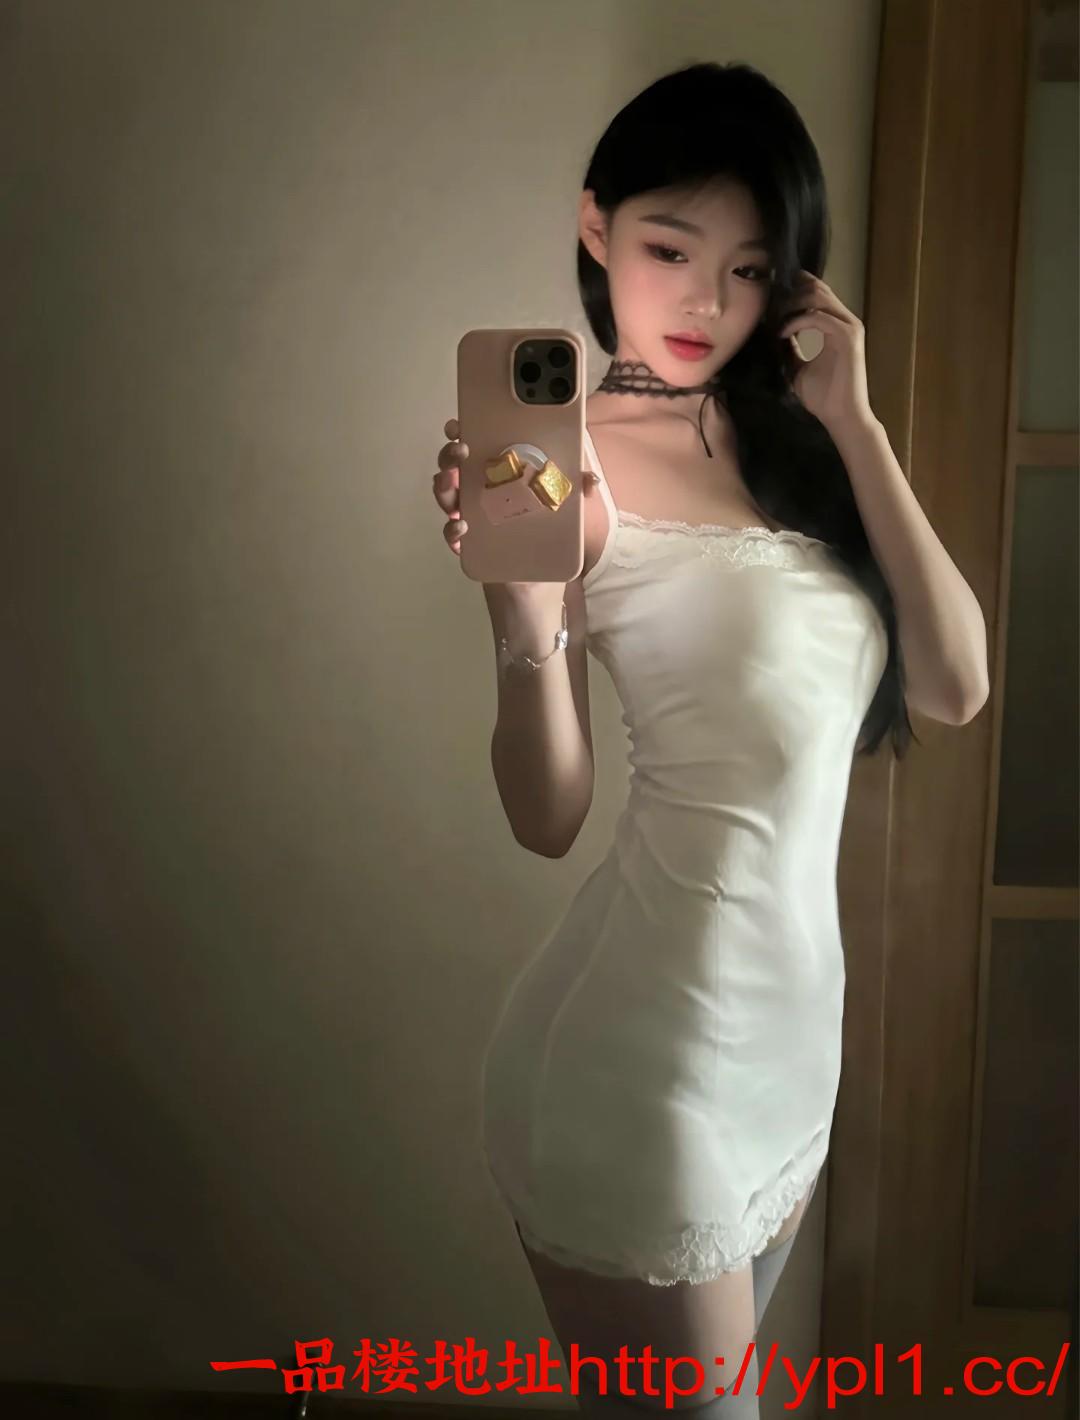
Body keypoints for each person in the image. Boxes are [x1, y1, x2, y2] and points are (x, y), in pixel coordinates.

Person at [433, 61, 928, 1418]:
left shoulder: (803, 447)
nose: (708, 302)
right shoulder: (571, 463)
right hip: (642, 1060)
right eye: (670, 249)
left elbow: (954, 681)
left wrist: (857, 421)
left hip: (792, 1047)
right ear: (595, 229)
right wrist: (522, 612)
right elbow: (548, 819)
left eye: (750, 269)